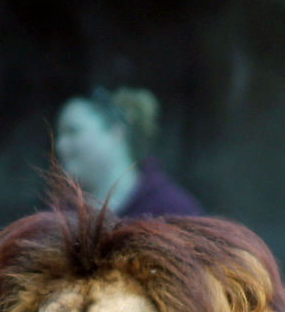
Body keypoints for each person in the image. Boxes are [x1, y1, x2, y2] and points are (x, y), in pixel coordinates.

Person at [55, 86, 203, 218]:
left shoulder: (172, 211)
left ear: (116, 133)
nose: (60, 145)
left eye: (72, 131)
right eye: (60, 135)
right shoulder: (59, 216)